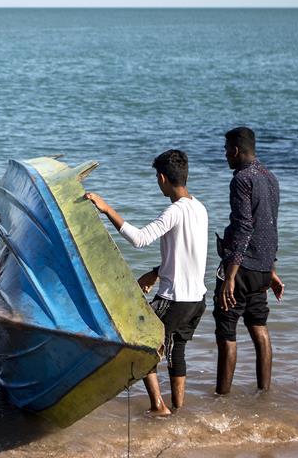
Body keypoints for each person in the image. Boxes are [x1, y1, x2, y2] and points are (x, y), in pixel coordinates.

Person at [84, 150, 208, 417]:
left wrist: (106, 209)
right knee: (176, 351)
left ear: (162, 178)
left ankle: (158, 407)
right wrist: (156, 272)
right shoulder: (200, 207)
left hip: (174, 299)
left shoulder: (174, 211)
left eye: (156, 177)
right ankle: (178, 409)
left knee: (140, 345)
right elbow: (186, 255)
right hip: (197, 299)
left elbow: (140, 239)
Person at [214, 127, 284, 395]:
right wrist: (271, 269)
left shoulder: (242, 179)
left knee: (226, 330)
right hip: (263, 268)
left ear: (235, 150)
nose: (225, 156)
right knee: (259, 327)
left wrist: (230, 276)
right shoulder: (271, 178)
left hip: (240, 268)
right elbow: (270, 227)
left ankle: (222, 397)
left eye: (226, 150)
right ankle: (264, 393)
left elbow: (244, 227)